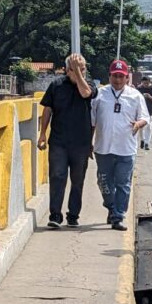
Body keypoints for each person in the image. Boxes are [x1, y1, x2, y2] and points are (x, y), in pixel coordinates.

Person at [37, 53, 97, 229]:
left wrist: (77, 72)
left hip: (81, 143)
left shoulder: (90, 84)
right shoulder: (56, 85)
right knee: (57, 176)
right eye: (75, 68)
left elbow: (85, 94)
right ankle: (55, 215)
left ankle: (73, 215)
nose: (80, 71)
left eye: (83, 68)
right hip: (59, 141)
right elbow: (47, 110)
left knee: (77, 180)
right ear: (66, 70)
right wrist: (42, 134)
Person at [91, 59, 149, 230]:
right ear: (109, 76)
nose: (117, 79)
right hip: (103, 147)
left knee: (123, 184)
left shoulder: (135, 96)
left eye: (121, 76)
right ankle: (111, 207)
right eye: (115, 76)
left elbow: (145, 117)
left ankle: (118, 216)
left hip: (126, 148)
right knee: (104, 182)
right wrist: (88, 142)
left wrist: (138, 124)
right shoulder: (99, 94)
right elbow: (92, 121)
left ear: (127, 78)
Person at [137, 76, 152, 150]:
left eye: (147, 83)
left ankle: (147, 143)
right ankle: (142, 140)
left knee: (149, 127)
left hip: (150, 111)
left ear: (149, 82)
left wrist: (149, 96)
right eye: (144, 83)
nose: (145, 84)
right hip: (141, 111)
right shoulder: (139, 89)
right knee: (141, 127)